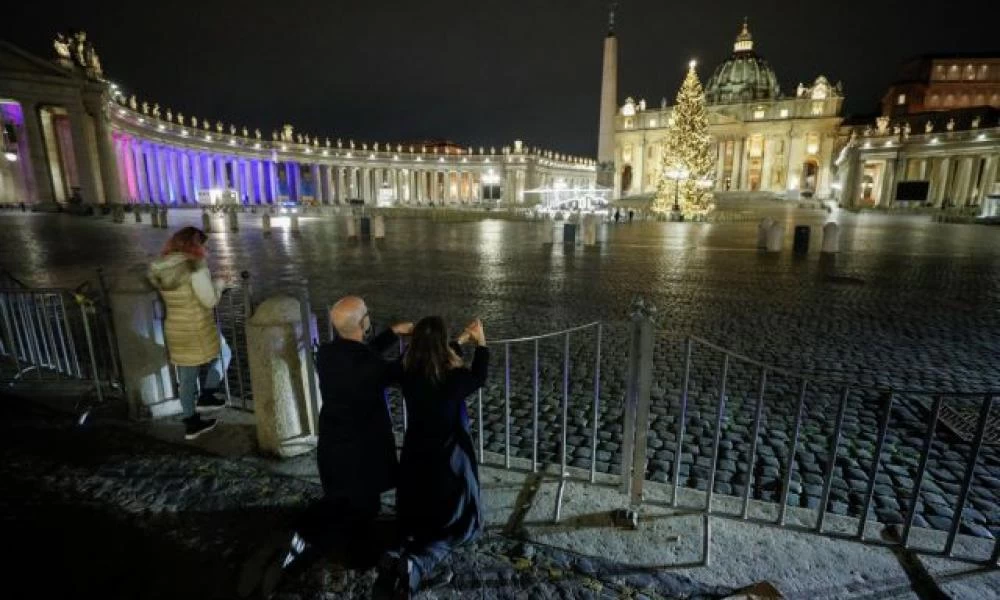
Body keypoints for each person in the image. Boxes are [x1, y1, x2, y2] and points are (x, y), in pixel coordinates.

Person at [243, 296, 412, 598]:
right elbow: (398, 371)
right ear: (363, 323)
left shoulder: (328, 354)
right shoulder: (370, 365)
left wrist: (391, 333)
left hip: (335, 444)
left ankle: (300, 536)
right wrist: (425, 343)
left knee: (339, 499)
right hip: (364, 449)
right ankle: (338, 551)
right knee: (363, 508)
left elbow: (360, 355)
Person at [381, 316, 488, 598]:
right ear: (443, 344)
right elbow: (479, 376)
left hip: (416, 450)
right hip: (448, 456)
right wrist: (482, 343)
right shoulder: (454, 378)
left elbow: (371, 356)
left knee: (416, 509)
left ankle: (396, 548)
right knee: (456, 524)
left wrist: (392, 333)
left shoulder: (407, 370)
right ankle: (417, 561)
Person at [147, 226, 230, 440]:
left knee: (187, 375)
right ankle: (207, 395)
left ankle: (191, 420)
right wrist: (220, 284)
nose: (205, 249)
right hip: (196, 327)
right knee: (225, 353)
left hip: (175, 326)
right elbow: (209, 300)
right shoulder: (195, 268)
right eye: (203, 244)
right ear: (195, 245)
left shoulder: (161, 267)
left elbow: (184, 293)